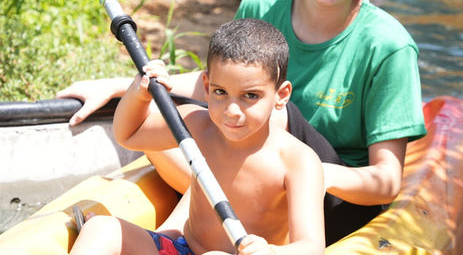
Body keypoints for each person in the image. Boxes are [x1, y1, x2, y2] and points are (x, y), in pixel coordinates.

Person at [57, 0, 427, 244]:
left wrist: (298, 176)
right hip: (260, 175)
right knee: (178, 118)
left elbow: (386, 181)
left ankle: (188, 224)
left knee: (269, 115)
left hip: (331, 200)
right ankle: (181, 233)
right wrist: (127, 85)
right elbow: (223, 84)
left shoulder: (388, 46)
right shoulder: (260, 6)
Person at [70, 18, 325, 255]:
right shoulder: (199, 125)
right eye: (220, 92)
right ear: (206, 87)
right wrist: (139, 93)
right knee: (102, 228)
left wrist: (271, 251)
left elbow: (311, 246)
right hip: (183, 248)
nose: (231, 111)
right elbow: (129, 134)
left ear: (281, 95)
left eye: (250, 96)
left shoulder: (297, 161)